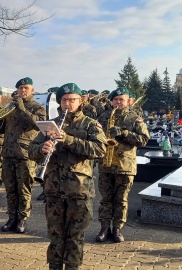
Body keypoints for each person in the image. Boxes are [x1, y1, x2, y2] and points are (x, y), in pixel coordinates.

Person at [29, 83, 107, 270]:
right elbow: (31, 150)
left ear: (80, 101)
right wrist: (42, 148)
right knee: (55, 236)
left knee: (74, 238)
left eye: (72, 99)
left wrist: (69, 140)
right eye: (64, 100)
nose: (68, 103)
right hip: (54, 189)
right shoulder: (51, 123)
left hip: (79, 190)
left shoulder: (90, 124)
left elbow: (100, 149)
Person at [96, 87, 150, 243]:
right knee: (105, 199)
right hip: (106, 164)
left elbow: (143, 139)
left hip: (125, 165)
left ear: (128, 101)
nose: (118, 102)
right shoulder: (103, 117)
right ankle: (104, 228)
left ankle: (117, 229)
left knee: (121, 199)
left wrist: (124, 133)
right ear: (112, 102)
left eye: (122, 99)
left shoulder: (134, 118)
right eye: (116, 99)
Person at [0, 77, 46, 234]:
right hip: (9, 153)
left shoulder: (37, 107)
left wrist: (22, 109)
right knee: (10, 189)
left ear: (32, 90)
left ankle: (22, 219)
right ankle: (12, 217)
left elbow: (38, 125)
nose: (23, 91)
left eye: (26, 88)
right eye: (20, 88)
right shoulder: (11, 106)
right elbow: (2, 129)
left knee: (24, 188)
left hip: (25, 154)